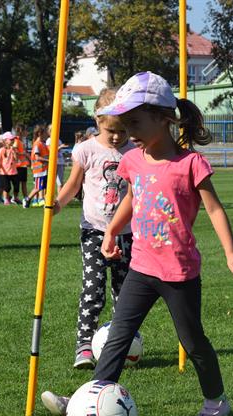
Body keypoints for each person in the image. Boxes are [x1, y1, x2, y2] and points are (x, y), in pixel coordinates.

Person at [41, 71, 233, 416]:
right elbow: (132, 200)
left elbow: (214, 208)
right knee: (117, 336)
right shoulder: (133, 161)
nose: (129, 132)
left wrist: (231, 252)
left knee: (193, 341)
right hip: (141, 266)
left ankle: (216, 401)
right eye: (125, 123)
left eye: (135, 122)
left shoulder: (190, 164)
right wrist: (111, 232)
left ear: (163, 118)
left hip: (179, 273)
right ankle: (88, 399)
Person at [51, 88, 135, 368]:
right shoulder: (86, 149)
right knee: (93, 287)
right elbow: (73, 185)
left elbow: (138, 191)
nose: (116, 136)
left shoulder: (134, 151)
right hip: (93, 231)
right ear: (98, 121)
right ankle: (84, 345)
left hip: (127, 234)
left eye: (122, 130)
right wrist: (57, 204)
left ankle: (121, 342)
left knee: (125, 293)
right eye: (111, 130)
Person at [23, 124, 48, 209]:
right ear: (40, 133)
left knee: (46, 187)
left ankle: (46, 202)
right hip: (39, 170)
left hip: (44, 169)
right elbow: (37, 157)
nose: (47, 134)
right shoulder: (37, 144)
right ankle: (27, 199)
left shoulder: (43, 144)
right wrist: (49, 161)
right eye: (45, 133)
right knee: (38, 187)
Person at [0, 132, 18, 205]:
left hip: (13, 171)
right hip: (4, 172)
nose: (12, 141)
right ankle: (5, 199)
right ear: (5, 141)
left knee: (16, 186)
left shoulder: (14, 149)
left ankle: (15, 198)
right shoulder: (2, 150)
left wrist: (13, 151)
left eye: (13, 139)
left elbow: (16, 159)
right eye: (10, 139)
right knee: (7, 187)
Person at [46, 123, 68, 188]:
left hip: (60, 162)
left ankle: (59, 197)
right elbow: (51, 151)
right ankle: (48, 196)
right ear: (50, 132)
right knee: (51, 181)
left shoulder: (59, 140)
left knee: (60, 182)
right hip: (53, 163)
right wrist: (60, 147)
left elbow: (60, 152)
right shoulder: (49, 140)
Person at [13, 124, 29, 204]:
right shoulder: (17, 140)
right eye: (26, 130)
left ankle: (26, 197)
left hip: (23, 165)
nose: (27, 132)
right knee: (18, 183)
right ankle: (15, 197)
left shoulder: (22, 141)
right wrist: (23, 154)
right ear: (21, 131)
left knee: (24, 182)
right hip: (18, 165)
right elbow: (15, 150)